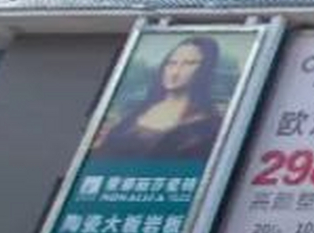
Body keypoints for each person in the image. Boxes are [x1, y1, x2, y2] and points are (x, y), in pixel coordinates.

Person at [92, 35, 226, 160]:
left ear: (205, 68)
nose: (175, 72)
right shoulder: (137, 108)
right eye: (171, 63)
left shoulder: (206, 124)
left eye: (189, 63)